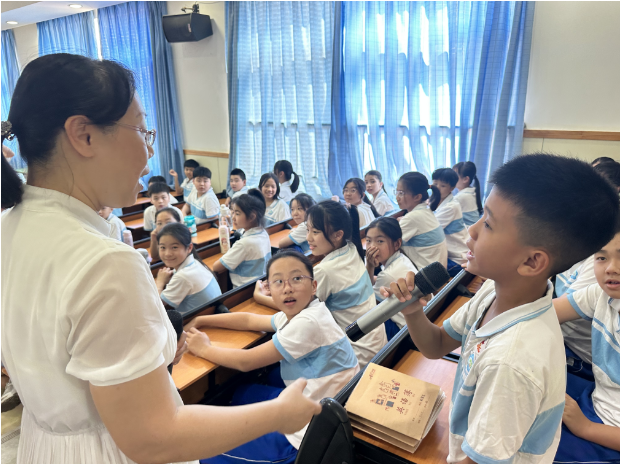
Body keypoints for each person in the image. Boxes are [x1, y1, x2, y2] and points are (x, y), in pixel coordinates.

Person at [0, 53, 320, 464]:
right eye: (142, 130)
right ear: (84, 135)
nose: (149, 150)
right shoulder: (103, 263)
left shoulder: (10, 226)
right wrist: (279, 413)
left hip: (44, 445)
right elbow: (154, 437)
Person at [381, 154, 619, 463]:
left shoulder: (512, 362)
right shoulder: (492, 291)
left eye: (489, 224)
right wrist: (413, 311)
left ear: (532, 262)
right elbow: (436, 345)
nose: (472, 230)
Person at [185, 251, 359, 464]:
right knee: (241, 393)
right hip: (317, 404)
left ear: (314, 286)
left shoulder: (308, 322)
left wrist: (203, 349)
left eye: (297, 278)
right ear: (270, 289)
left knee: (201, 450)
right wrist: (202, 320)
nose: (287, 288)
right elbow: (249, 320)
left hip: (305, 436)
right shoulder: (301, 313)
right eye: (278, 281)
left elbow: (245, 361)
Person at [553, 231, 620, 462]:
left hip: (607, 435)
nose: (611, 268)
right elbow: (540, 314)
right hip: (594, 402)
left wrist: (585, 427)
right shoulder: (601, 295)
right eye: (601, 258)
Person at [306, 200, 387, 367]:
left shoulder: (324, 271)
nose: (308, 238)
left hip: (358, 358)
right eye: (307, 230)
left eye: (315, 232)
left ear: (338, 235)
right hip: (379, 347)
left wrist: (260, 296)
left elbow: (296, 307)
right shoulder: (351, 248)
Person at [365, 217, 417, 341]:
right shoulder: (401, 258)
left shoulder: (387, 275)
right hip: (418, 321)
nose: (372, 247)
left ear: (397, 243)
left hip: (406, 334)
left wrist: (370, 266)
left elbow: (365, 294)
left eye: (380, 241)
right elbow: (375, 281)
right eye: (368, 241)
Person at [155, 223, 222, 316]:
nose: (167, 253)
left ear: (189, 248)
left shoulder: (183, 276)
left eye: (174, 247)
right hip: (212, 316)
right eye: (162, 247)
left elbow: (156, 306)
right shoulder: (196, 263)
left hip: (196, 321)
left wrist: (160, 283)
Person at [213, 189, 272, 287]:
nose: (233, 217)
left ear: (252, 216)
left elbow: (216, 267)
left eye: (237, 213)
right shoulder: (263, 233)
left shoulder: (244, 244)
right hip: (259, 285)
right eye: (233, 213)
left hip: (243, 290)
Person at [396, 172, 448, 269]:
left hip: (426, 275)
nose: (397, 197)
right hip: (438, 273)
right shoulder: (425, 210)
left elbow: (392, 243)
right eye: (397, 192)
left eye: (401, 193)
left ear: (417, 197)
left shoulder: (412, 217)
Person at [432, 168, 469, 276]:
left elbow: (430, 228)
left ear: (451, 188)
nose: (437, 188)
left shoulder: (451, 206)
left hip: (456, 260)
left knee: (423, 270)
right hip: (450, 254)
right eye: (435, 183)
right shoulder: (434, 200)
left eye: (443, 186)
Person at [452, 161, 483, 227]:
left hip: (469, 231)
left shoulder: (462, 197)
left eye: (455, 175)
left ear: (465, 179)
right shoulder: (471, 192)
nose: (451, 178)